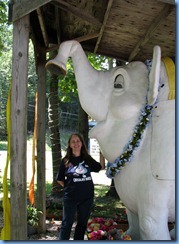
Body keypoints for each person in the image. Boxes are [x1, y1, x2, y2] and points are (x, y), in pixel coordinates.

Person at [56, 133, 105, 240]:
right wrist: (70, 186)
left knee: (82, 224)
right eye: (73, 141)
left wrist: (103, 152)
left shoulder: (87, 159)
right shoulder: (65, 161)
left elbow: (99, 167)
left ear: (82, 143)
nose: (76, 143)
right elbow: (59, 179)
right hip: (71, 198)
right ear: (69, 144)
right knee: (67, 224)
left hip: (87, 197)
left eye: (78, 141)